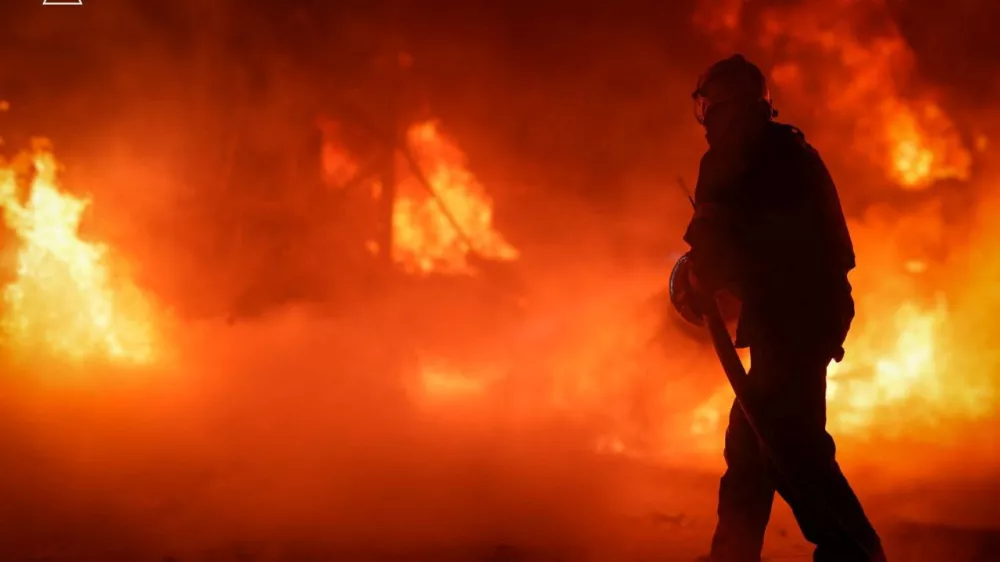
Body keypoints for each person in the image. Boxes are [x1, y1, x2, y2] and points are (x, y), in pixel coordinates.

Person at [680, 55, 888, 562]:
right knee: (754, 445)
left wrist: (697, 277)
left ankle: (856, 554)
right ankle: (733, 555)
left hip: (794, 317)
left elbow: (716, 244)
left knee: (789, 445)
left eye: (711, 109)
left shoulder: (736, 157)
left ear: (729, 110)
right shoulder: (789, 152)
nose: (706, 122)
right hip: (806, 313)